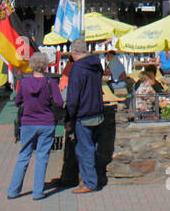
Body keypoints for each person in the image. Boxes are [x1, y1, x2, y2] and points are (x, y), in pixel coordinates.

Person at [8, 53, 64, 201]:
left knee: (23, 156)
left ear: (32, 65)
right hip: (46, 122)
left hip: (28, 123)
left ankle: (13, 190)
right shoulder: (50, 83)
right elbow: (59, 102)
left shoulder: (25, 83)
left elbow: (17, 101)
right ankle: (37, 192)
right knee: (42, 157)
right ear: (45, 66)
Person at [63, 41, 105, 193]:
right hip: (97, 110)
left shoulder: (77, 68)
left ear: (73, 53)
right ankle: (91, 179)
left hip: (84, 113)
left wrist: (69, 117)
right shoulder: (96, 65)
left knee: (84, 149)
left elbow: (73, 96)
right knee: (92, 147)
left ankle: (89, 182)